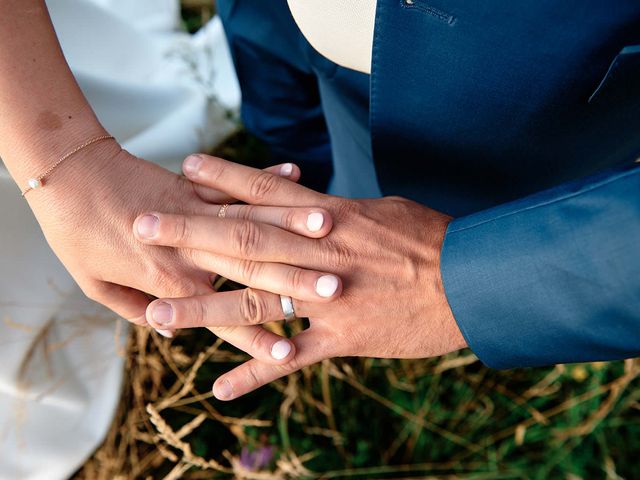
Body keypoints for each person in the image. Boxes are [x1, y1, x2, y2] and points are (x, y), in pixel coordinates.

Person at [2, 0, 639, 405]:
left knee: (375, 194)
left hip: (501, 78)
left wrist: (455, 277)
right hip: (282, 28)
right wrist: (60, 161)